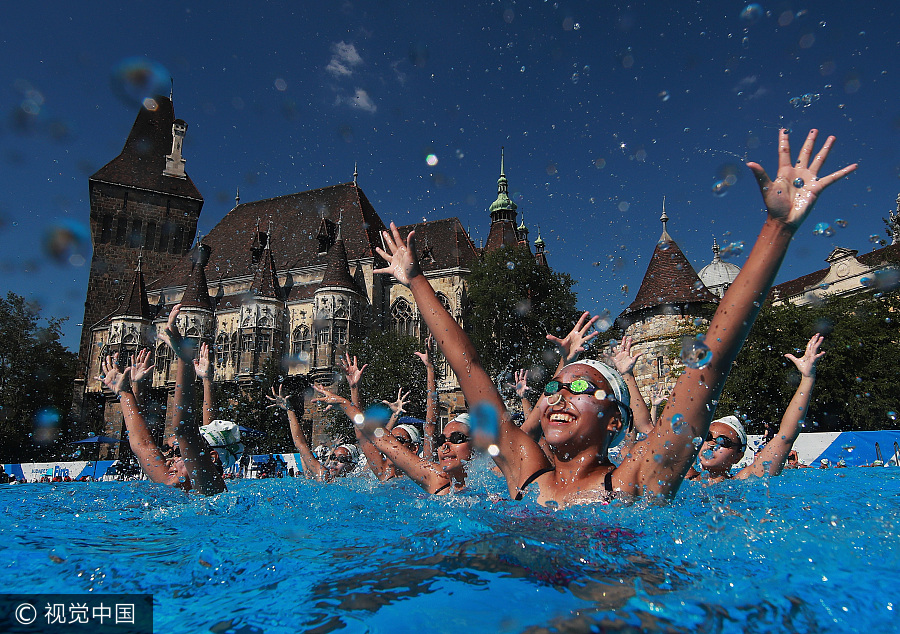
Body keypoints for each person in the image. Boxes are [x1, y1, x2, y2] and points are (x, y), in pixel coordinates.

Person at [373, 128, 855, 507]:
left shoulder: (634, 481)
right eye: (555, 386)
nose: (558, 395)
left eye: (581, 387)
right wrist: (415, 280)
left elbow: (708, 365)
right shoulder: (524, 473)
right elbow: (469, 366)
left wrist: (776, 229)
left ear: (615, 421)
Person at [99, 304, 226, 495]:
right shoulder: (169, 481)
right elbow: (143, 444)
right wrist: (124, 393)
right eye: (170, 452)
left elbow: (185, 429)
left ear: (211, 458)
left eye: (179, 452)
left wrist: (185, 360)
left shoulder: (212, 489)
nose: (169, 460)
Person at [687, 333, 826, 483]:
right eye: (707, 437)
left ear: (738, 455)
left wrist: (807, 378)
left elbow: (785, 437)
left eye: (723, 441)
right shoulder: (684, 477)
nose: (712, 444)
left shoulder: (743, 481)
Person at [266, 385, 358, 480]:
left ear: (352, 465)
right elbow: (300, 444)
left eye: (342, 459)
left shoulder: (361, 480)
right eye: (333, 457)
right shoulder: (323, 477)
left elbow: (363, 432)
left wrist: (350, 395)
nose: (334, 462)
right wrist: (289, 410)